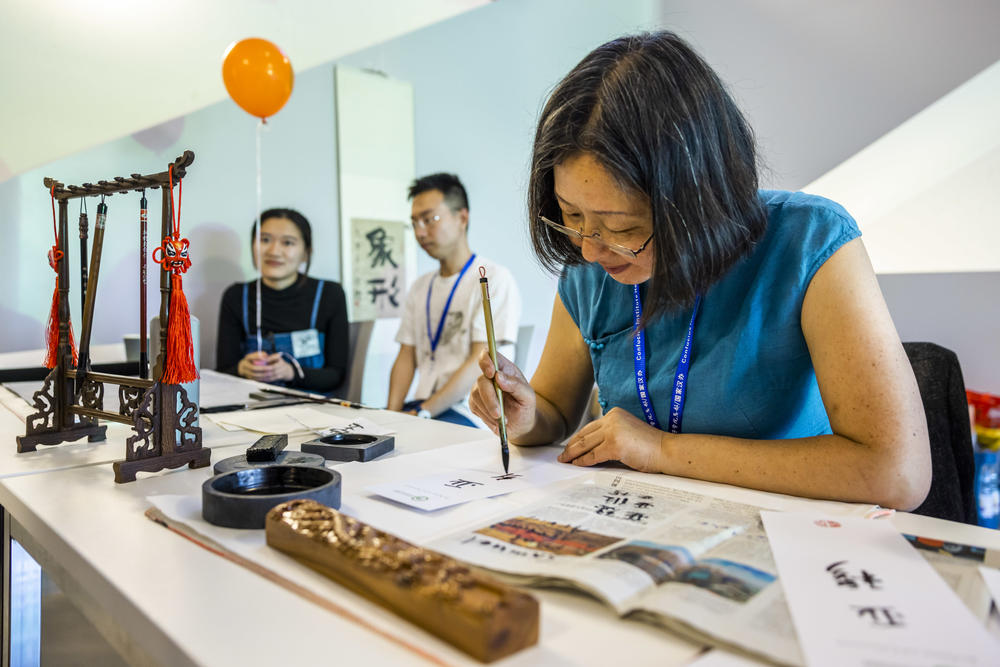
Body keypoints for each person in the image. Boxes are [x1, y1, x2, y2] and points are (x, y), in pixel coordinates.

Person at [470, 31, 932, 510]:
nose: (590, 250)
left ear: (696, 199)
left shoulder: (809, 241)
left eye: (623, 227)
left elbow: (896, 472)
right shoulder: (593, 268)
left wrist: (661, 451)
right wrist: (524, 415)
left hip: (793, 528)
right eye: (571, 215)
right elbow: (554, 411)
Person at [388, 173, 521, 427]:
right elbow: (405, 356)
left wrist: (423, 413)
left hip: (468, 413)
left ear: (462, 218)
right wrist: (389, 417)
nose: (420, 232)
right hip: (422, 409)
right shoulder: (420, 287)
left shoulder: (491, 278)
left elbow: (480, 361)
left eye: (429, 220)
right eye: (414, 223)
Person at [216, 208, 349, 393]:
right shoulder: (236, 296)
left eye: (287, 242)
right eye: (265, 240)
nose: (274, 251)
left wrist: (290, 372)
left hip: (312, 406)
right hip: (251, 405)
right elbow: (222, 372)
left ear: (306, 253)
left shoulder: (329, 294)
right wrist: (242, 369)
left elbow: (336, 375)